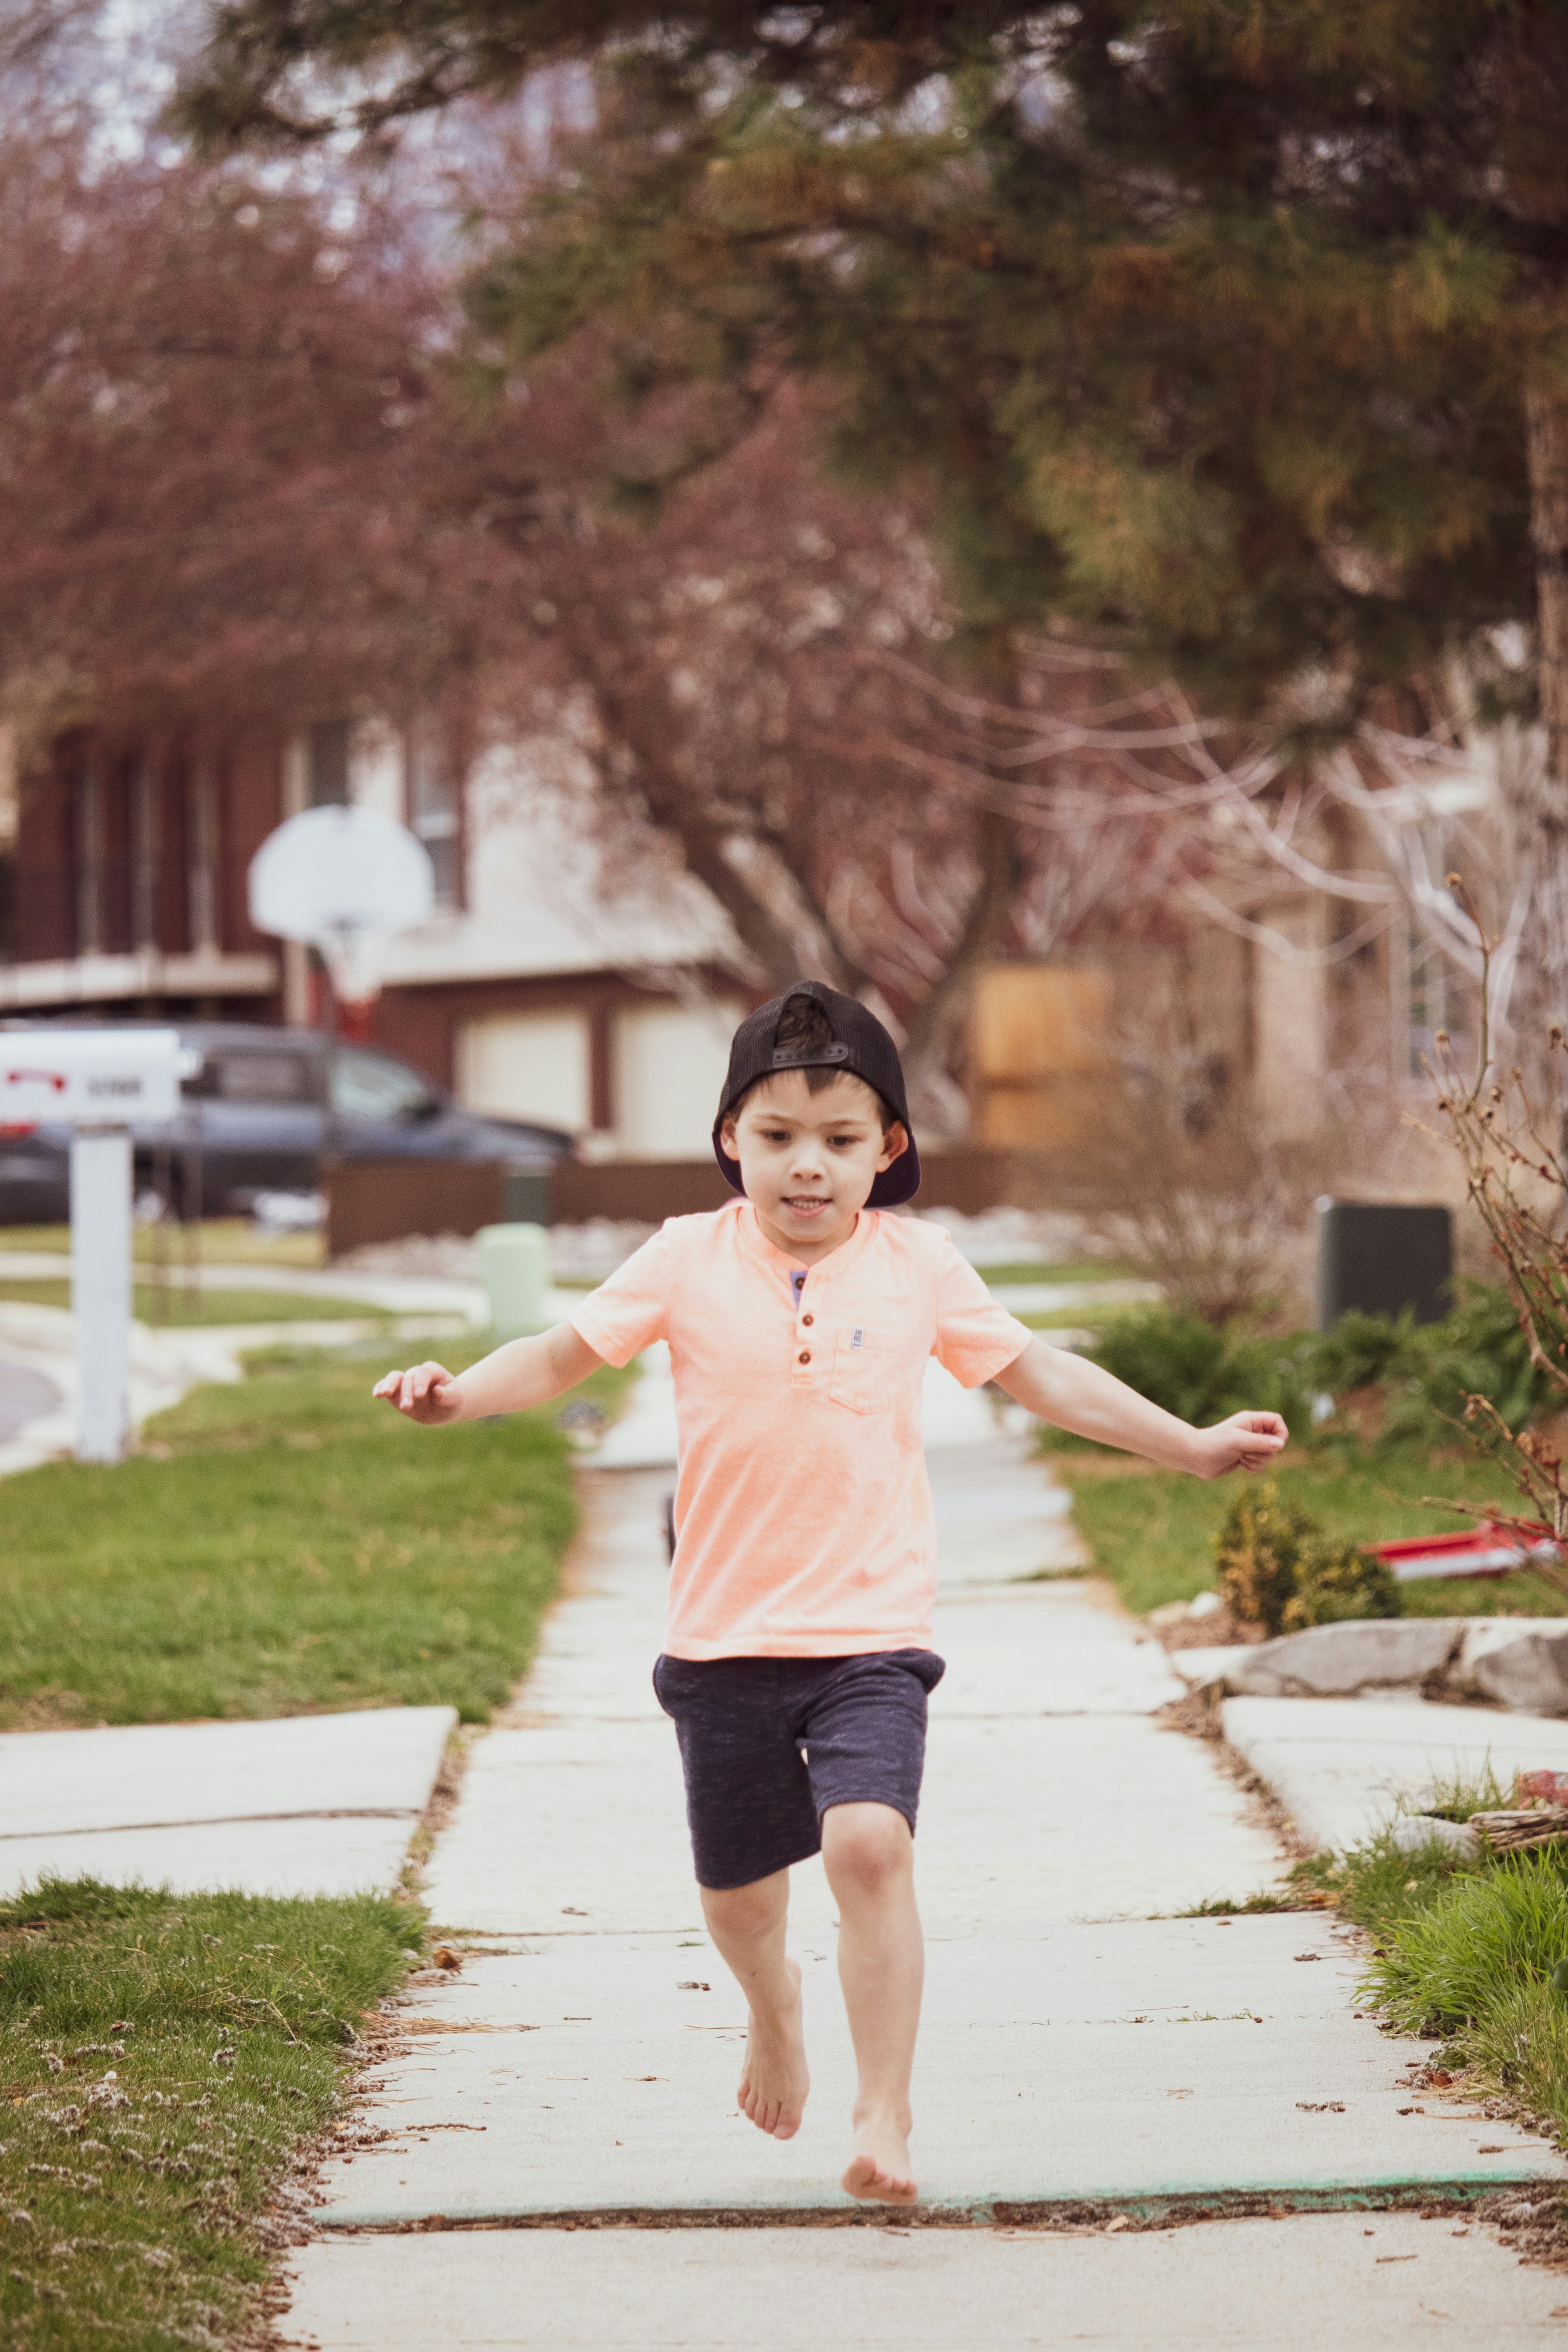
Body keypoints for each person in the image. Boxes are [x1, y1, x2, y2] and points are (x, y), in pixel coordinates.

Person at [374, 982, 1287, 2205]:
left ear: (889, 1151)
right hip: (722, 1640)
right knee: (742, 1903)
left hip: (869, 1634)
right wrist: (456, 1395)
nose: (809, 1169)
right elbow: (557, 1355)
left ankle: (885, 2111)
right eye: (779, 1139)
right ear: (729, 1142)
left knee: (867, 1846)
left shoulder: (919, 1266)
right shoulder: (685, 1258)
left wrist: (1188, 1442)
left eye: (842, 1142)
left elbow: (1044, 1376)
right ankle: (774, 2012)